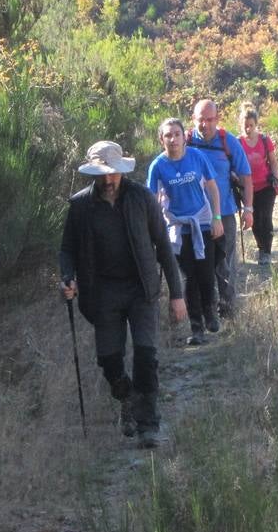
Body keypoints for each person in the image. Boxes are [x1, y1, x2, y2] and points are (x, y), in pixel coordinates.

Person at [59, 140, 186, 449]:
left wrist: (176, 295)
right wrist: (67, 278)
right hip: (101, 293)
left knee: (146, 355)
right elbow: (67, 249)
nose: (108, 180)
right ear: (92, 175)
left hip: (141, 289)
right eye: (102, 175)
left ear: (121, 171)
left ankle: (148, 424)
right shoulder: (80, 206)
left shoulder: (142, 198)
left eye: (113, 173)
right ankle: (127, 398)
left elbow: (164, 249)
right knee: (109, 360)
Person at [147, 118, 224, 346]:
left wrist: (217, 218)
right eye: (168, 135)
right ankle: (197, 327)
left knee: (206, 273)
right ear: (162, 139)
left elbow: (212, 187)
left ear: (184, 137)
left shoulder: (197, 157)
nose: (173, 139)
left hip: (202, 222)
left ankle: (210, 313)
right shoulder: (157, 166)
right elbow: (150, 199)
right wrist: (153, 229)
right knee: (189, 277)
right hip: (178, 228)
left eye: (177, 134)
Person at [186, 99, 253, 319]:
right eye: (200, 119)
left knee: (225, 263)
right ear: (193, 119)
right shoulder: (184, 141)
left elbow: (245, 175)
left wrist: (249, 208)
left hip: (223, 213)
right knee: (196, 265)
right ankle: (202, 312)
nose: (205, 124)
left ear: (217, 119)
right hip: (192, 216)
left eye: (209, 119)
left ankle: (227, 310)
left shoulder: (228, 142)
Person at [239, 102, 278, 266]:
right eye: (245, 126)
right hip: (248, 189)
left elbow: (273, 162)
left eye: (251, 125)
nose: (248, 129)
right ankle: (261, 247)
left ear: (256, 124)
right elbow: (234, 165)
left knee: (266, 218)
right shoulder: (238, 143)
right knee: (255, 220)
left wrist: (276, 178)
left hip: (266, 186)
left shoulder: (264, 140)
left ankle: (267, 252)